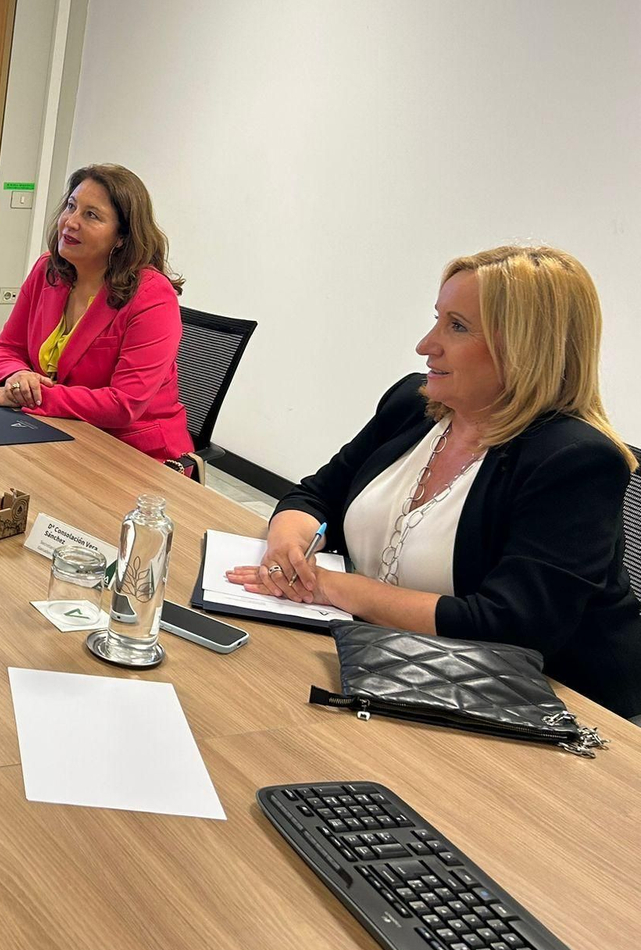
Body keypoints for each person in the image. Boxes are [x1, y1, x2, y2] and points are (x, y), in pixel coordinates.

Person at [228, 245, 641, 718]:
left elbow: (510, 627)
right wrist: (287, 544)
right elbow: (317, 493)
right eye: (438, 319)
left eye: (458, 327)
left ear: (527, 348)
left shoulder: (576, 460)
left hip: (544, 709)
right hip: (392, 664)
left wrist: (334, 587)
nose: (426, 344)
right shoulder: (413, 403)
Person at [0, 164, 194, 464]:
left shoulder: (152, 297)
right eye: (71, 206)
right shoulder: (49, 270)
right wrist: (17, 376)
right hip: (56, 433)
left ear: (122, 236)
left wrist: (29, 396)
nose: (70, 222)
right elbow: (6, 348)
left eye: (91, 215)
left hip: (133, 455)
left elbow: (124, 405)